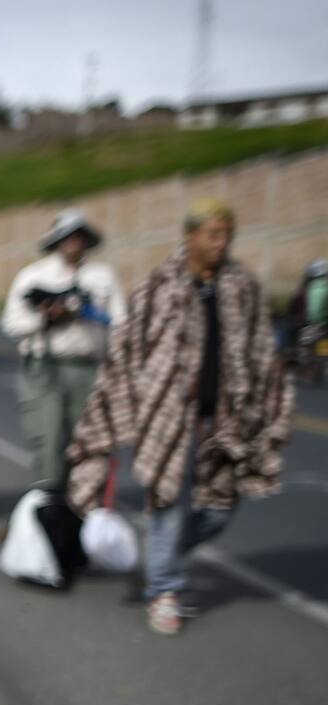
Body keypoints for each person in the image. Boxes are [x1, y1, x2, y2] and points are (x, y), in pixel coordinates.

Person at [68, 199, 294, 636]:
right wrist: (122, 402)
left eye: (227, 235)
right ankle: (164, 590)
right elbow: (129, 348)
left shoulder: (242, 287)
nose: (221, 243)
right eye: (213, 234)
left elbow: (262, 350)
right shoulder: (161, 286)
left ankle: (160, 558)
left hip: (225, 419)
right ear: (190, 235)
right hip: (170, 417)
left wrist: (269, 405)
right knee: (169, 501)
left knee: (220, 508)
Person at [1, 208, 126, 496]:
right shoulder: (34, 276)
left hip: (87, 367)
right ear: (56, 241)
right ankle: (49, 500)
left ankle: (83, 501)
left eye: (78, 236)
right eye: (67, 236)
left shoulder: (102, 276)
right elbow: (11, 324)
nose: (73, 242)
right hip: (44, 368)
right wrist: (47, 317)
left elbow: (121, 323)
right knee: (48, 437)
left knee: (88, 441)